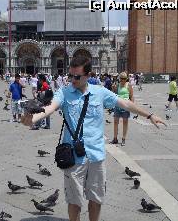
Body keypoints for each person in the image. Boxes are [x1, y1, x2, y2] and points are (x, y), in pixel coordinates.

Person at [21, 57, 166, 221]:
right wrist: (32, 119)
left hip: (96, 155)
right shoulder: (64, 92)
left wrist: (150, 115)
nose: (72, 80)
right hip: (74, 158)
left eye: (77, 77)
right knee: (74, 202)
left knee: (96, 200)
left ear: (88, 75)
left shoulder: (100, 92)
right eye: (70, 76)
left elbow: (125, 104)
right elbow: (50, 108)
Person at [111, 72, 134, 146]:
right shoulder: (117, 85)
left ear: (126, 79)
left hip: (126, 106)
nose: (123, 80)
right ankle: (115, 138)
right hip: (117, 105)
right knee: (115, 122)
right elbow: (114, 94)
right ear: (119, 79)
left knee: (125, 122)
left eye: (124, 78)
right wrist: (113, 88)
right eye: (121, 79)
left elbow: (131, 96)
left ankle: (123, 138)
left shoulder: (129, 85)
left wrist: (132, 105)